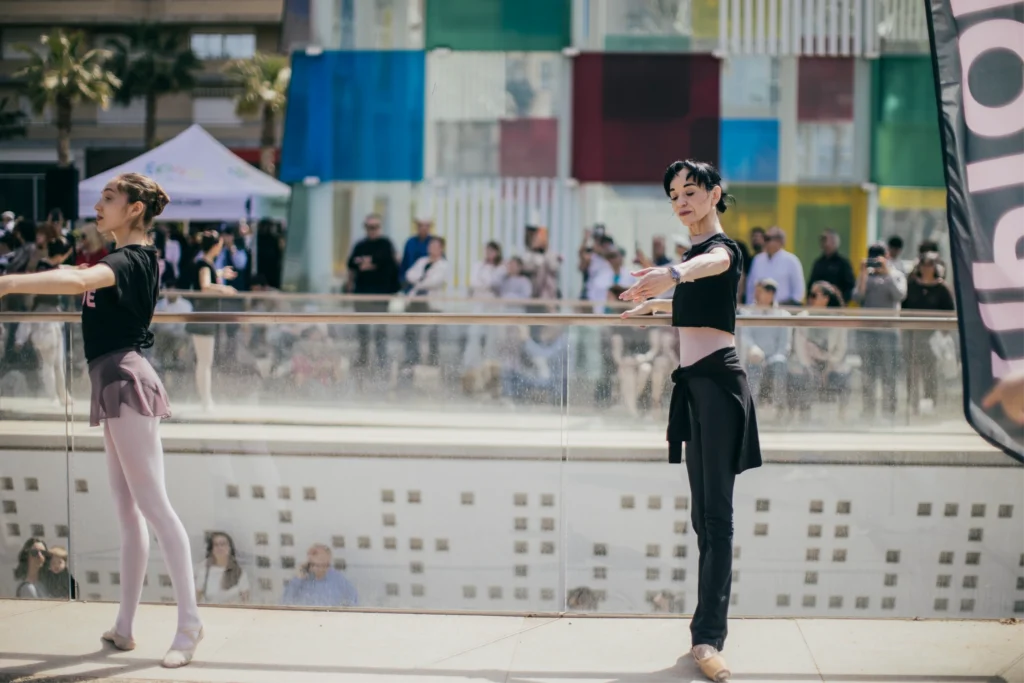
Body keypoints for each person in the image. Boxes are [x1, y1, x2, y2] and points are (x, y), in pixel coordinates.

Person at [0, 173, 203, 668]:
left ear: (135, 209)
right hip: (112, 381)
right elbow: (75, 274)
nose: (98, 205)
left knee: (154, 508)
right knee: (128, 512)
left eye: (109, 198)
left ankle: (189, 626)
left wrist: (7, 283)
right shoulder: (119, 259)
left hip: (126, 380)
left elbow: (76, 280)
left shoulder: (135, 259)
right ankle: (125, 627)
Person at [620, 159, 762, 682]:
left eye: (691, 191)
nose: (681, 201)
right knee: (703, 517)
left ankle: (708, 639)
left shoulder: (722, 250)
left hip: (720, 386)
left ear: (714, 194)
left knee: (717, 517)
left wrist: (672, 275)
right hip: (693, 389)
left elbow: (715, 264)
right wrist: (654, 308)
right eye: (674, 195)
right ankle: (704, 632)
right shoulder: (692, 257)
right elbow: (699, 310)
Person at [185, 231, 237, 412]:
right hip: (203, 318)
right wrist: (224, 289)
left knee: (204, 361)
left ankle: (206, 400)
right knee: (204, 361)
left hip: (204, 317)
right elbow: (205, 286)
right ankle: (206, 401)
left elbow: (206, 276)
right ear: (215, 246)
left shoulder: (205, 264)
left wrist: (220, 273)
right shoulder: (205, 264)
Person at [854, 242, 908, 418]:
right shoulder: (866, 276)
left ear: (887, 257)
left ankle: (890, 410)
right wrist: (863, 274)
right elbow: (857, 297)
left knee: (889, 373)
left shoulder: (897, 275)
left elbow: (900, 295)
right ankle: (868, 410)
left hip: (888, 332)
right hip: (867, 332)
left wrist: (887, 273)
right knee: (868, 373)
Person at [902, 251, 955, 413]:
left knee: (930, 372)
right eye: (924, 264)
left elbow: (949, 312)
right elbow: (903, 308)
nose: (926, 268)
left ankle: (930, 403)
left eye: (930, 264)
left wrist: (943, 332)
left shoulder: (942, 288)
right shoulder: (911, 286)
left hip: (932, 338)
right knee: (912, 371)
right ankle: (913, 404)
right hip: (912, 335)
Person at [347, 214, 400, 375]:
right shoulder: (360, 245)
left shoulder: (385, 244)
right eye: (370, 227)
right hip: (362, 295)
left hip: (380, 295)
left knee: (380, 331)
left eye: (375, 227)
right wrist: (370, 263)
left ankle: (382, 363)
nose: (372, 230)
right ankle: (363, 359)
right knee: (362, 330)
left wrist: (369, 263)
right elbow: (352, 263)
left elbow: (387, 263)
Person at [281, 544, 358, 607]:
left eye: (325, 565)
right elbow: (285, 603)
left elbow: (354, 601)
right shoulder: (299, 581)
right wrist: (298, 578)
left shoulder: (338, 579)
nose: (322, 569)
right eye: (318, 565)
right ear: (309, 564)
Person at [744, 226, 805, 306]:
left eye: (767, 239)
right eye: (764, 238)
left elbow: (798, 293)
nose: (764, 241)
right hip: (757, 310)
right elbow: (750, 288)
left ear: (779, 241)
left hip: (783, 310)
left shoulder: (792, 261)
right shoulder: (757, 259)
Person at [195, 532, 250, 605]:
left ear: (230, 548)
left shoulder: (239, 573)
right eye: (216, 545)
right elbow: (197, 600)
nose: (220, 548)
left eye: (223, 544)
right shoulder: (204, 573)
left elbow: (245, 601)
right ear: (212, 549)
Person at [807, 230, 855, 304]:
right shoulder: (818, 263)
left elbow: (850, 286)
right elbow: (811, 284)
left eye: (825, 240)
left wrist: (842, 300)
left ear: (834, 242)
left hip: (837, 305)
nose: (823, 244)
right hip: (819, 304)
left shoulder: (843, 263)